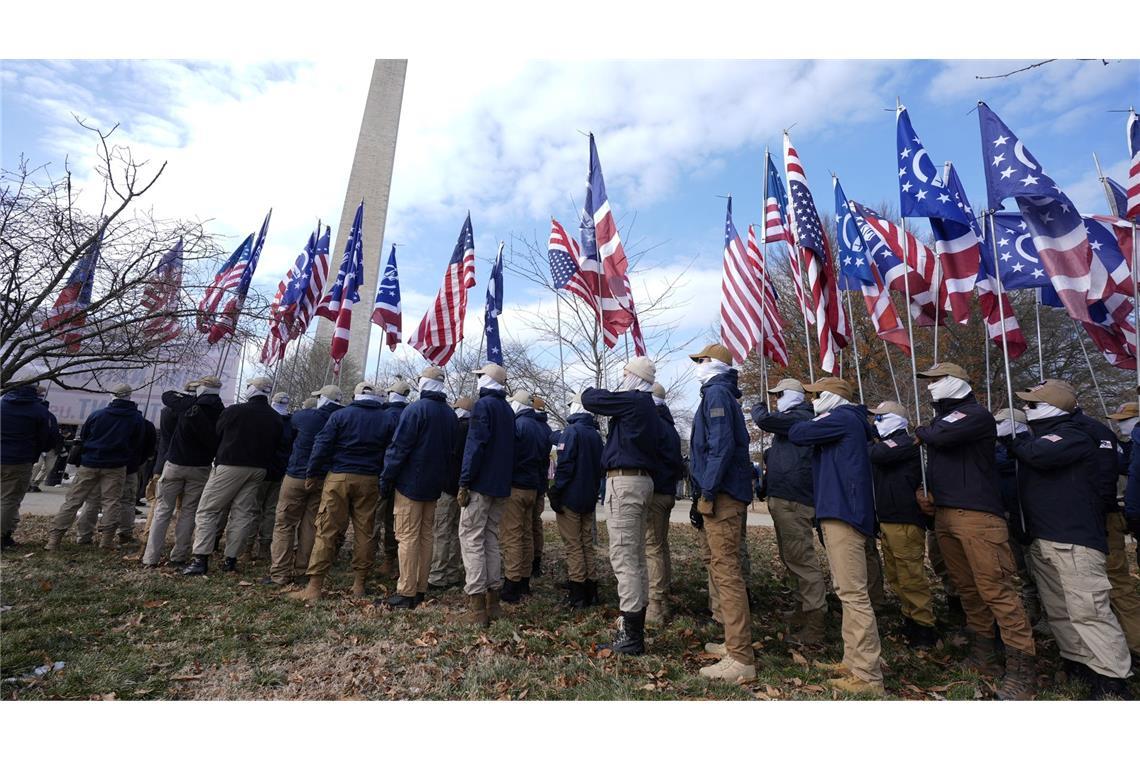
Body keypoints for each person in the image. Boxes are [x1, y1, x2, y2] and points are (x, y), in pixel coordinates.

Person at [913, 362, 1035, 700]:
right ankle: (984, 654)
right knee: (967, 589)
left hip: (979, 518)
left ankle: (1022, 669)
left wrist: (921, 430)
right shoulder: (943, 417)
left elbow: (938, 436)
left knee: (996, 590)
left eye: (936, 381)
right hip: (946, 515)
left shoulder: (975, 414)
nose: (930, 386)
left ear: (956, 383)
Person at [1007, 380, 1133, 698]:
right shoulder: (1050, 432)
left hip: (1073, 539)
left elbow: (1038, 455)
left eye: (1031, 405)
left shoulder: (1075, 433)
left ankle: (1112, 679)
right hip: (1043, 535)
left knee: (1088, 610)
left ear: (1052, 407)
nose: (1025, 409)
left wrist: (1015, 438)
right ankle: (1080, 662)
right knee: (1060, 607)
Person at [788, 377, 883, 696]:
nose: (812, 401)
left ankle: (867, 675)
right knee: (846, 589)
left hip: (844, 512)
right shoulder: (847, 420)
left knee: (853, 593)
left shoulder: (842, 417)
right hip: (839, 510)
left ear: (832, 397)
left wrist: (804, 413)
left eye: (816, 396)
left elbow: (798, 433)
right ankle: (852, 660)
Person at [687, 344, 755, 682]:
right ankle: (733, 643)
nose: (697, 366)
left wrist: (707, 490)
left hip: (723, 494)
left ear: (715, 364)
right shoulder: (717, 393)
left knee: (726, 572)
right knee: (723, 568)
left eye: (701, 361)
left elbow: (721, 446)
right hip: (723, 491)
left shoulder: (717, 394)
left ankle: (741, 658)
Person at [581, 356, 658, 655]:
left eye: (625, 373)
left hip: (625, 484)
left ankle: (632, 636)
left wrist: (590, 389)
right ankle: (634, 624)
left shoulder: (635, 401)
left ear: (635, 378)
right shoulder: (647, 406)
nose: (622, 378)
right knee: (636, 558)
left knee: (624, 557)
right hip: (640, 483)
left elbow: (591, 399)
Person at [291, 381, 395, 601]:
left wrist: (312, 473)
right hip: (370, 479)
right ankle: (359, 584)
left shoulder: (340, 416)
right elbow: (391, 451)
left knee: (327, 528)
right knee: (365, 532)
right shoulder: (387, 418)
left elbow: (322, 444)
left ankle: (315, 586)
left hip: (339, 476)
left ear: (355, 395)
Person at [750, 377, 827, 644]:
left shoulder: (802, 417)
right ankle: (801, 609)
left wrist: (758, 407)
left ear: (794, 395)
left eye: (779, 394)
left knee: (802, 560)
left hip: (795, 501)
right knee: (790, 558)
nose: (776, 400)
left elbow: (764, 420)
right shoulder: (790, 421)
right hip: (782, 498)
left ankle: (815, 621)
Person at [182, 376, 284, 576]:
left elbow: (217, 434)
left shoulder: (235, 411)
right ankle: (231, 560)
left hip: (230, 465)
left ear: (252, 390)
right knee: (242, 514)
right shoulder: (275, 418)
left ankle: (200, 559)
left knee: (208, 510)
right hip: (258, 470)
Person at [379, 367, 458, 609]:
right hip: (434, 485)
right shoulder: (450, 415)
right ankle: (421, 587)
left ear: (423, 383)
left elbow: (399, 448)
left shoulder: (415, 410)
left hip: (410, 484)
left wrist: (386, 478)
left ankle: (406, 591)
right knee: (425, 536)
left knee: (407, 537)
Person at [868, 400, 938, 649]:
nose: (876, 423)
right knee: (896, 575)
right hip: (888, 518)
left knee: (911, 576)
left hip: (905, 520)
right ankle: (909, 617)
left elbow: (877, 454)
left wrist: (871, 436)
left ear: (895, 420)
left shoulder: (906, 442)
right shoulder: (887, 443)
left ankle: (924, 626)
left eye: (880, 418)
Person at [46, 384, 145, 550]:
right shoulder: (136, 419)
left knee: (74, 500)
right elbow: (137, 443)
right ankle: (106, 541)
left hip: (90, 462)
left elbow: (85, 436)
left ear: (112, 395)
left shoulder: (98, 415)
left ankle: (54, 539)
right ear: (129, 396)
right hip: (116, 465)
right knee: (111, 502)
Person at [264, 385, 342, 586]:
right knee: (310, 525)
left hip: (297, 475)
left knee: (284, 523)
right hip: (324, 478)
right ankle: (301, 571)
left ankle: (279, 573)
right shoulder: (343, 419)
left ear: (323, 399)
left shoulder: (305, 416)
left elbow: (289, 432)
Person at [142, 376, 224, 567]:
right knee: (188, 512)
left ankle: (150, 557)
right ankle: (179, 555)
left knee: (162, 511)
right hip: (201, 466)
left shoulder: (183, 407)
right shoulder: (220, 411)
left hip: (175, 463)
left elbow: (167, 396)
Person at [457, 363, 515, 626]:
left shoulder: (484, 406)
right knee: (490, 539)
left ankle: (478, 604)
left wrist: (465, 481)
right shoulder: (507, 409)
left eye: (480, 376)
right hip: (500, 485)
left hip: (480, 484)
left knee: (471, 539)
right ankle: (494, 602)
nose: (478, 380)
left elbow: (476, 445)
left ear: (487, 380)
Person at [549, 393, 604, 609]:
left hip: (571, 497)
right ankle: (591, 589)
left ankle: (578, 592)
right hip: (588, 496)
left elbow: (565, 464)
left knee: (573, 546)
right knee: (586, 544)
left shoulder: (572, 432)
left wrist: (557, 490)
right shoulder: (594, 435)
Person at [993, 408, 1042, 628]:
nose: (997, 426)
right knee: (1019, 564)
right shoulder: (998, 447)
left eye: (1001, 422)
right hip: (1005, 510)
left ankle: (1047, 611)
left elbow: (1003, 463)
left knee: (1035, 565)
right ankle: (1031, 604)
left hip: (1027, 512)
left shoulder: (1028, 446)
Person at [500, 390, 549, 603]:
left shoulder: (517, 426)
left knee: (512, 536)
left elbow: (508, 456)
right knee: (527, 534)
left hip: (516, 486)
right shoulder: (542, 427)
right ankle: (524, 581)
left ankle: (511, 584)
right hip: (533, 487)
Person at [1, 383, 59, 549]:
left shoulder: (1, 404)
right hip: (19, 460)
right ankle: (3, 536)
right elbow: (48, 438)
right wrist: (35, 452)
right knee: (9, 499)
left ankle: (6, 533)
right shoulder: (39, 411)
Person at [645, 381, 682, 626]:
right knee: (660, 545)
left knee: (652, 547)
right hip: (667, 490)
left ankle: (656, 604)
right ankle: (663, 595)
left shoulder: (654, 425)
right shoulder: (670, 427)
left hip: (656, 491)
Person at [1105, 401, 1140, 657]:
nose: (1120, 424)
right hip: (1125, 514)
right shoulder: (1127, 447)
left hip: (1122, 514)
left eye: (1124, 419)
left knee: (1119, 582)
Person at [428, 396, 473, 591]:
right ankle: (454, 572)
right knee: (456, 532)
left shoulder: (455, 430)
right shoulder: (474, 430)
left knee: (441, 532)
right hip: (464, 489)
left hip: (447, 488)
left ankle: (438, 576)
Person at [247, 391, 293, 561]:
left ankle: (247, 547)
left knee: (253, 509)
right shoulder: (291, 423)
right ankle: (264, 547)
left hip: (260, 469)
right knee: (271, 510)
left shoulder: (266, 419)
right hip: (279, 471)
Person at [375, 379, 411, 577]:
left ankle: (368, 559)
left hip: (381, 472)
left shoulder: (384, 416)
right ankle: (390, 560)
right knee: (393, 521)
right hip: (402, 477)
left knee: (373, 518)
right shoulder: (411, 414)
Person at [530, 395, 553, 578]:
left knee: (525, 525)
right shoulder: (546, 428)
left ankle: (529, 562)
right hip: (540, 482)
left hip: (527, 482)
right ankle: (536, 560)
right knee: (536, 523)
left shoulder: (529, 425)